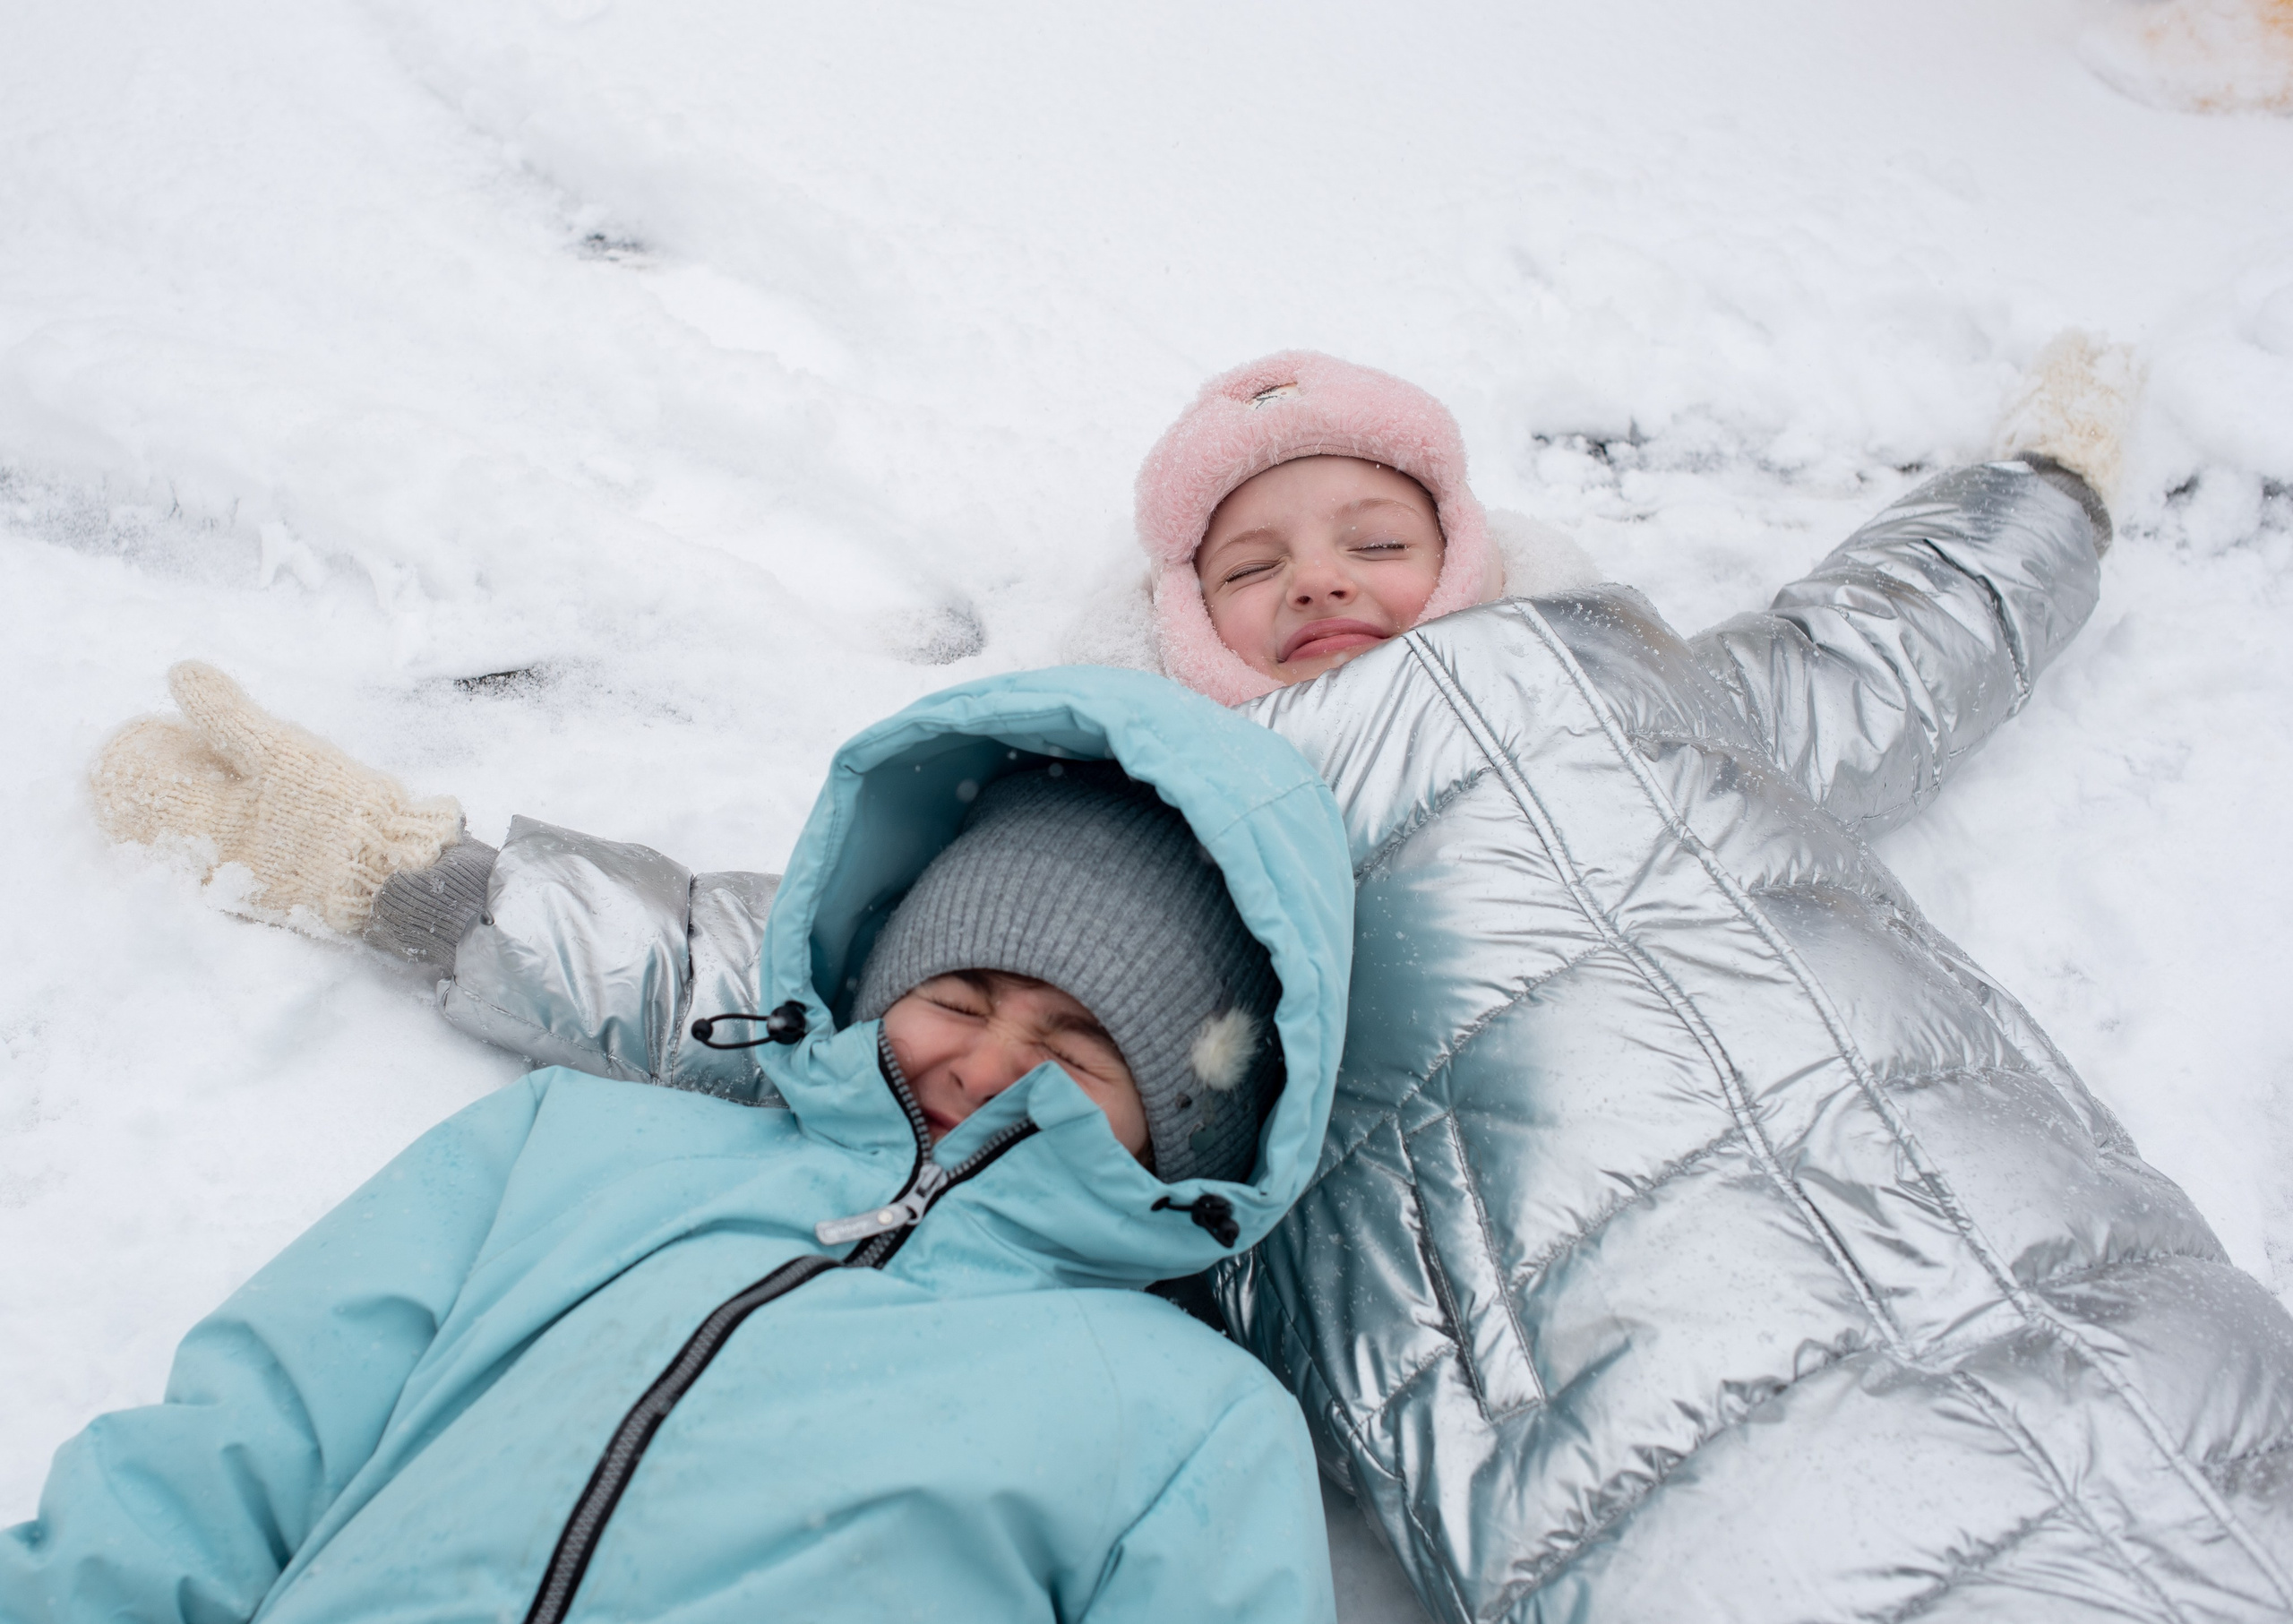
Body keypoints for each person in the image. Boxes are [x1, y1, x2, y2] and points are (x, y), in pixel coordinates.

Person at [83, 336, 2293, 1620]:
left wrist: (2039, 494)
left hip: (2101, 1294)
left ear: (1468, 559)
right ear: (1185, 625)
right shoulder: (1213, 876)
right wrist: (422, 873)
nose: (1317, 583)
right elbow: (788, 980)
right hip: (1679, 1456)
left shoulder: (1663, 703)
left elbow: (1881, 648)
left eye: (1371, 538)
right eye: (1254, 564)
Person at [6, 667, 1357, 1624]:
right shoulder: (571, 1149)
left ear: (1197, 1119)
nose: (986, 1064)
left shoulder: (1193, 1422)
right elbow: (248, 1434)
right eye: (957, 995)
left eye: (1071, 1052)